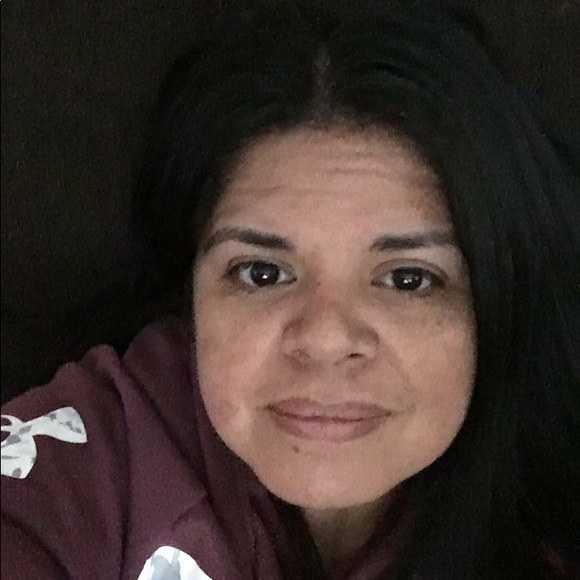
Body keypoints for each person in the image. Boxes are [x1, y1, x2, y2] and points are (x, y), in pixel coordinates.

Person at [2, 1, 579, 578]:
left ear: (496, 301)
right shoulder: (77, 467)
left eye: (408, 278)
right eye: (262, 273)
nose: (325, 339)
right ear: (192, 292)